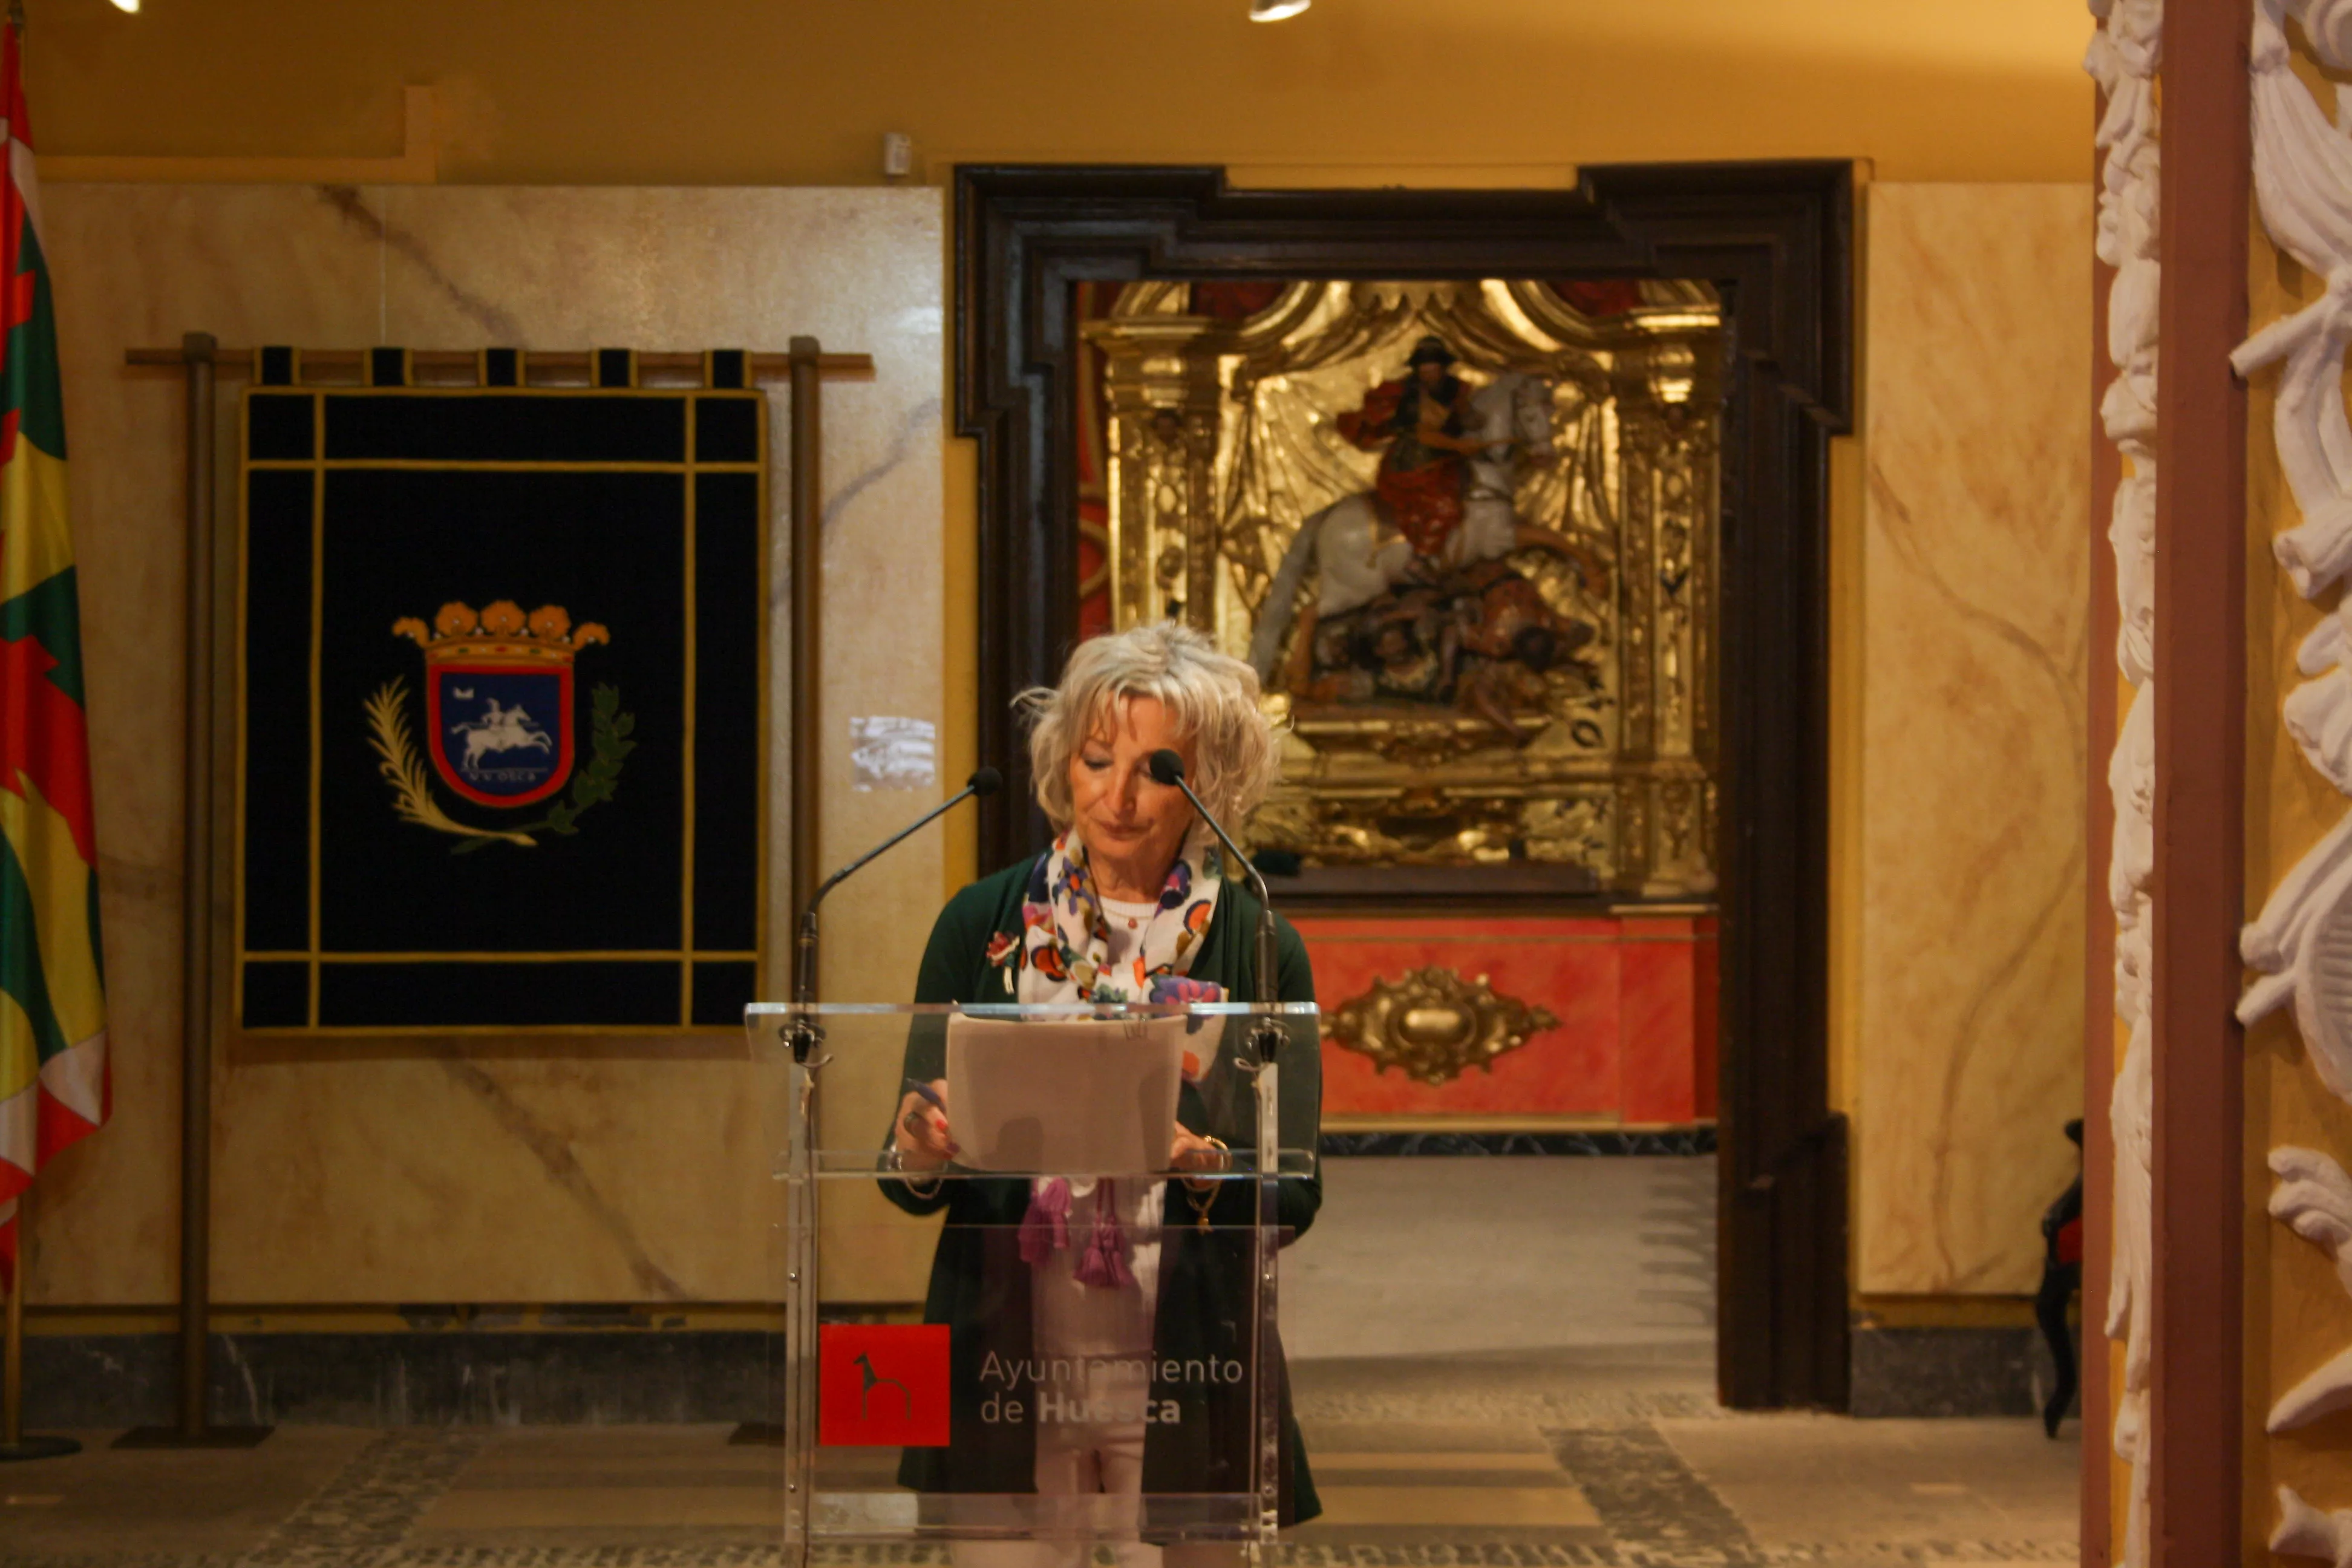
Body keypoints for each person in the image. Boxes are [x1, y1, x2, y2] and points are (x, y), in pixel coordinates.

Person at [880, 621, 1323, 1567]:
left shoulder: (1257, 944)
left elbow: (1295, 1191)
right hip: (1004, 1352)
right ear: (1063, 764)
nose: (1116, 797)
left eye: (1156, 771)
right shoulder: (982, 922)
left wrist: (1201, 1162)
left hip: (1191, 1358)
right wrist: (919, 1144)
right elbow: (903, 1165)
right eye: (1095, 761)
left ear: (1211, 782)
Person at [1335, 335, 1482, 561]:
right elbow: (1421, 433)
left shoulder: (1456, 389)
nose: (1429, 373)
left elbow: (1469, 420)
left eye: (1433, 368)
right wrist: (1457, 444)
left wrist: (1471, 421)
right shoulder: (1406, 394)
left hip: (1448, 461)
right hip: (1413, 464)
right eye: (1424, 368)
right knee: (1445, 507)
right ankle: (1422, 558)